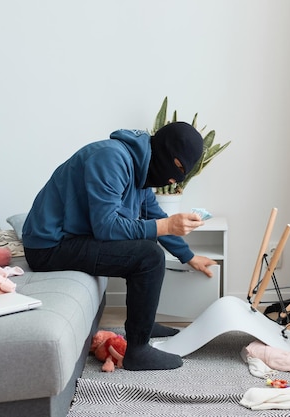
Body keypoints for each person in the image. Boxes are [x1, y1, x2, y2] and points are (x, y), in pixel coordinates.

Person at [22, 121, 217, 371]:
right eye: (177, 166)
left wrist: (188, 256)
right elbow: (106, 227)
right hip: (49, 246)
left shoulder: (140, 170)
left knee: (147, 240)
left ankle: (143, 324)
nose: (174, 177)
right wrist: (166, 226)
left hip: (71, 237)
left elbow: (153, 215)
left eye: (183, 172)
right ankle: (137, 351)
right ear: (164, 150)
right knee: (149, 256)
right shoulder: (110, 158)